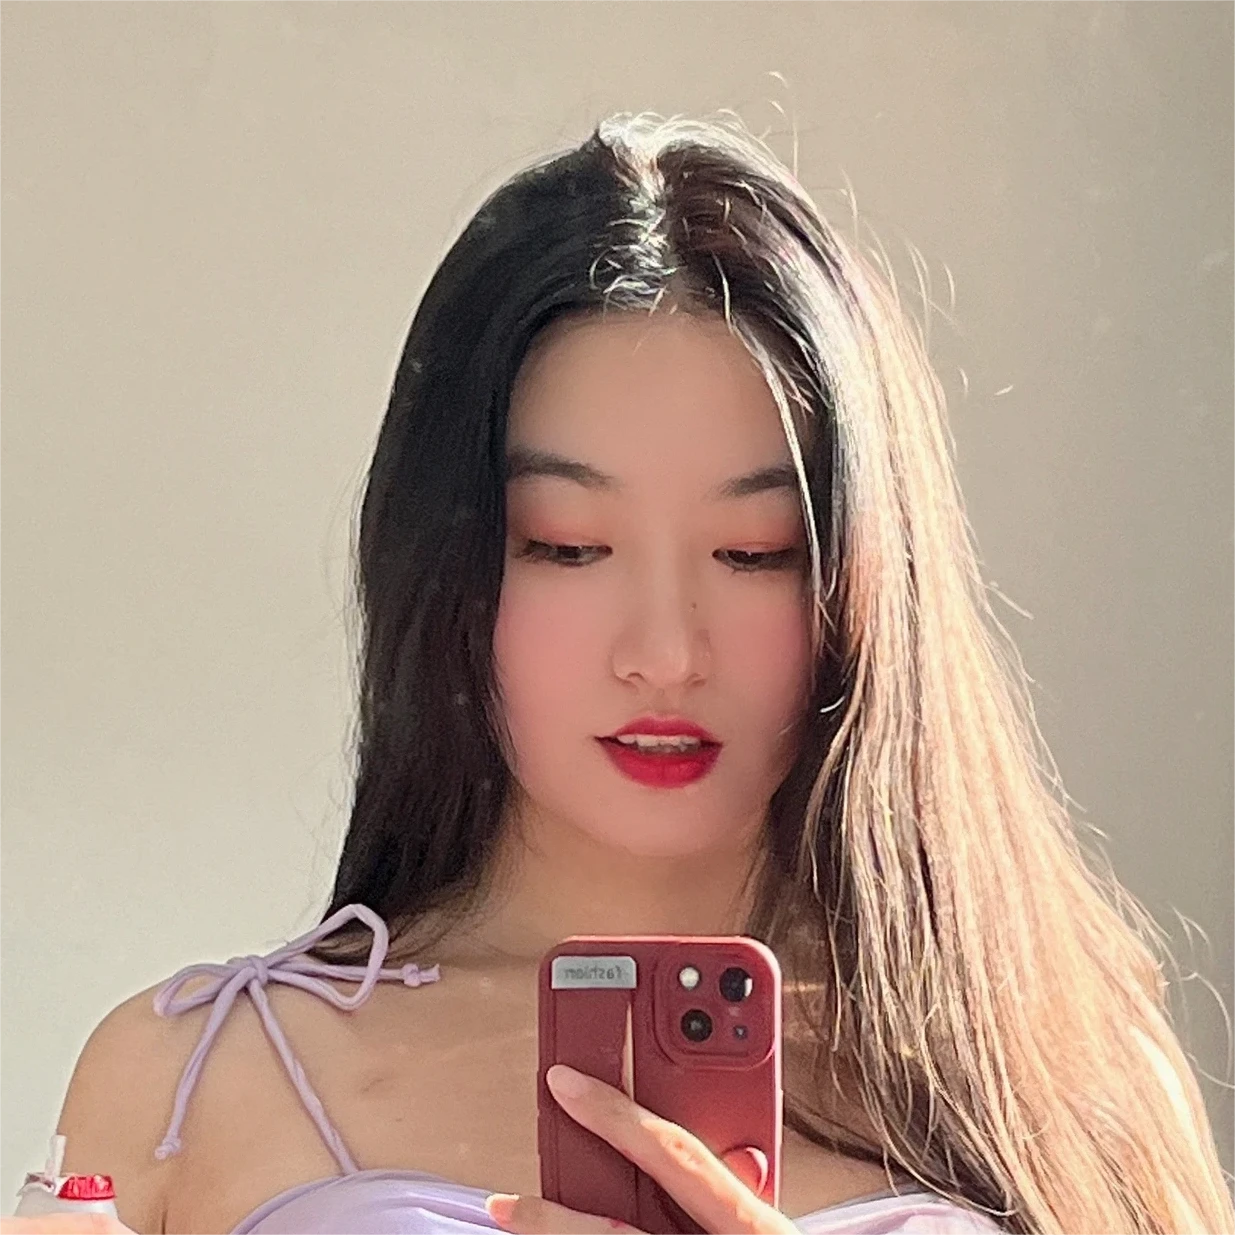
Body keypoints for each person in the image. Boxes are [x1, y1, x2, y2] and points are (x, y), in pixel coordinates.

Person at [6, 113, 1232, 1235]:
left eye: (753, 552)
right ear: (444, 564)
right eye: (566, 544)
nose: (665, 650)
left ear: (868, 581)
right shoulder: (195, 1079)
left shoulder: (1069, 1083)